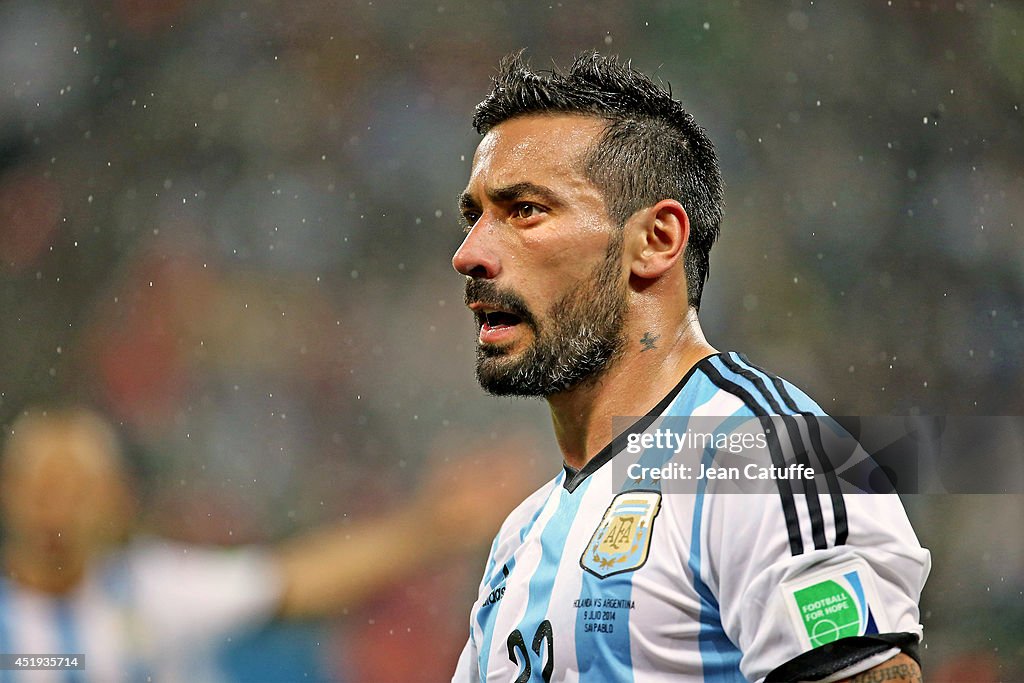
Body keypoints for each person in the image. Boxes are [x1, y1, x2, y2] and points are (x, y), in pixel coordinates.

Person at [450, 52, 930, 683]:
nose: (469, 254)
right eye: (474, 216)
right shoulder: (522, 537)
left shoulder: (762, 453)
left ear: (655, 241)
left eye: (525, 211)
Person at [0, 406, 528, 682]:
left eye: (77, 489)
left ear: (116, 501)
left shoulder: (152, 594)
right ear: (9, 490)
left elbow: (292, 581)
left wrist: (429, 528)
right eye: (44, 486)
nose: (58, 508)